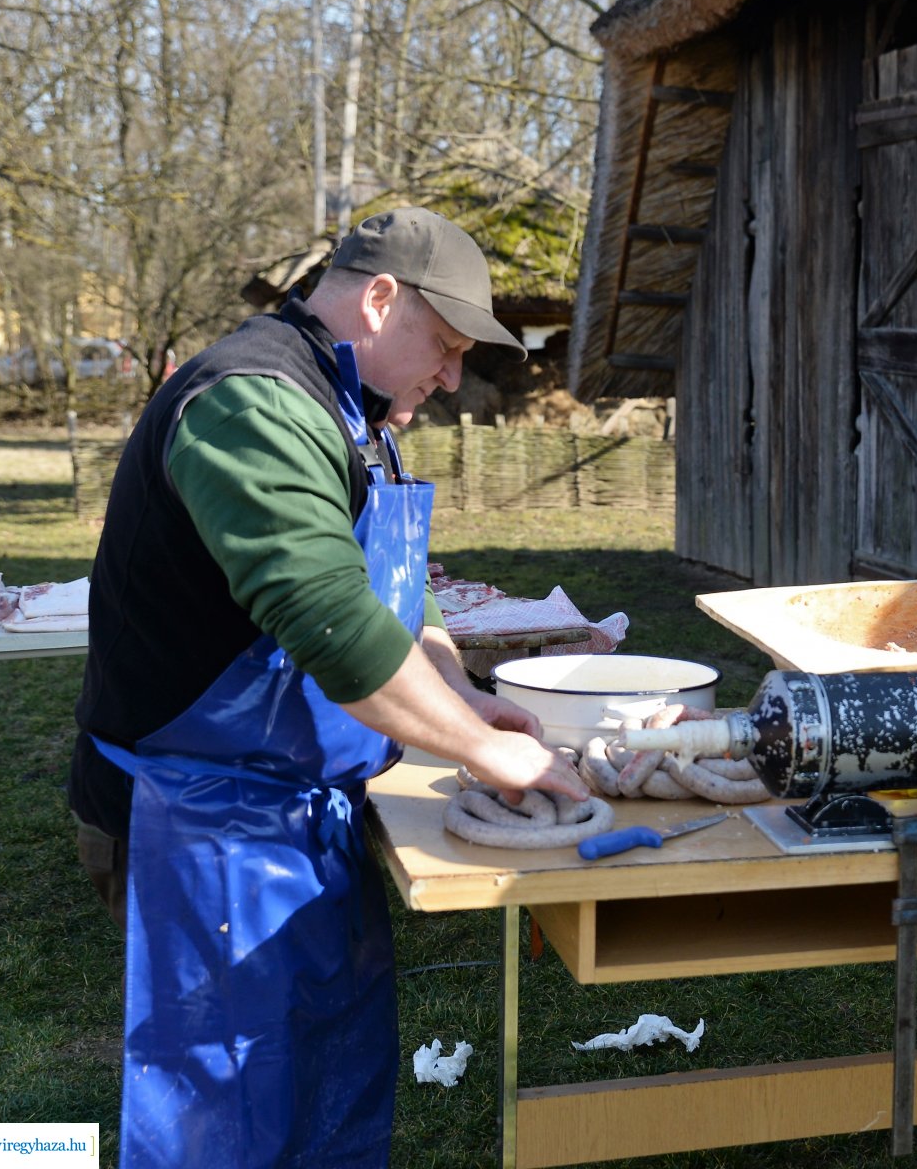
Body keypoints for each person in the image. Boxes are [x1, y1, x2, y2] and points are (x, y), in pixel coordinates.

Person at [66, 207, 589, 1168]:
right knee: (220, 1113)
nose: (451, 377)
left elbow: (393, 589)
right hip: (200, 822)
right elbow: (326, 619)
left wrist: (457, 691)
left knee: (325, 1096)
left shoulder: (353, 409)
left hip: (305, 812)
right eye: (444, 347)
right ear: (380, 299)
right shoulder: (250, 404)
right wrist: (484, 749)